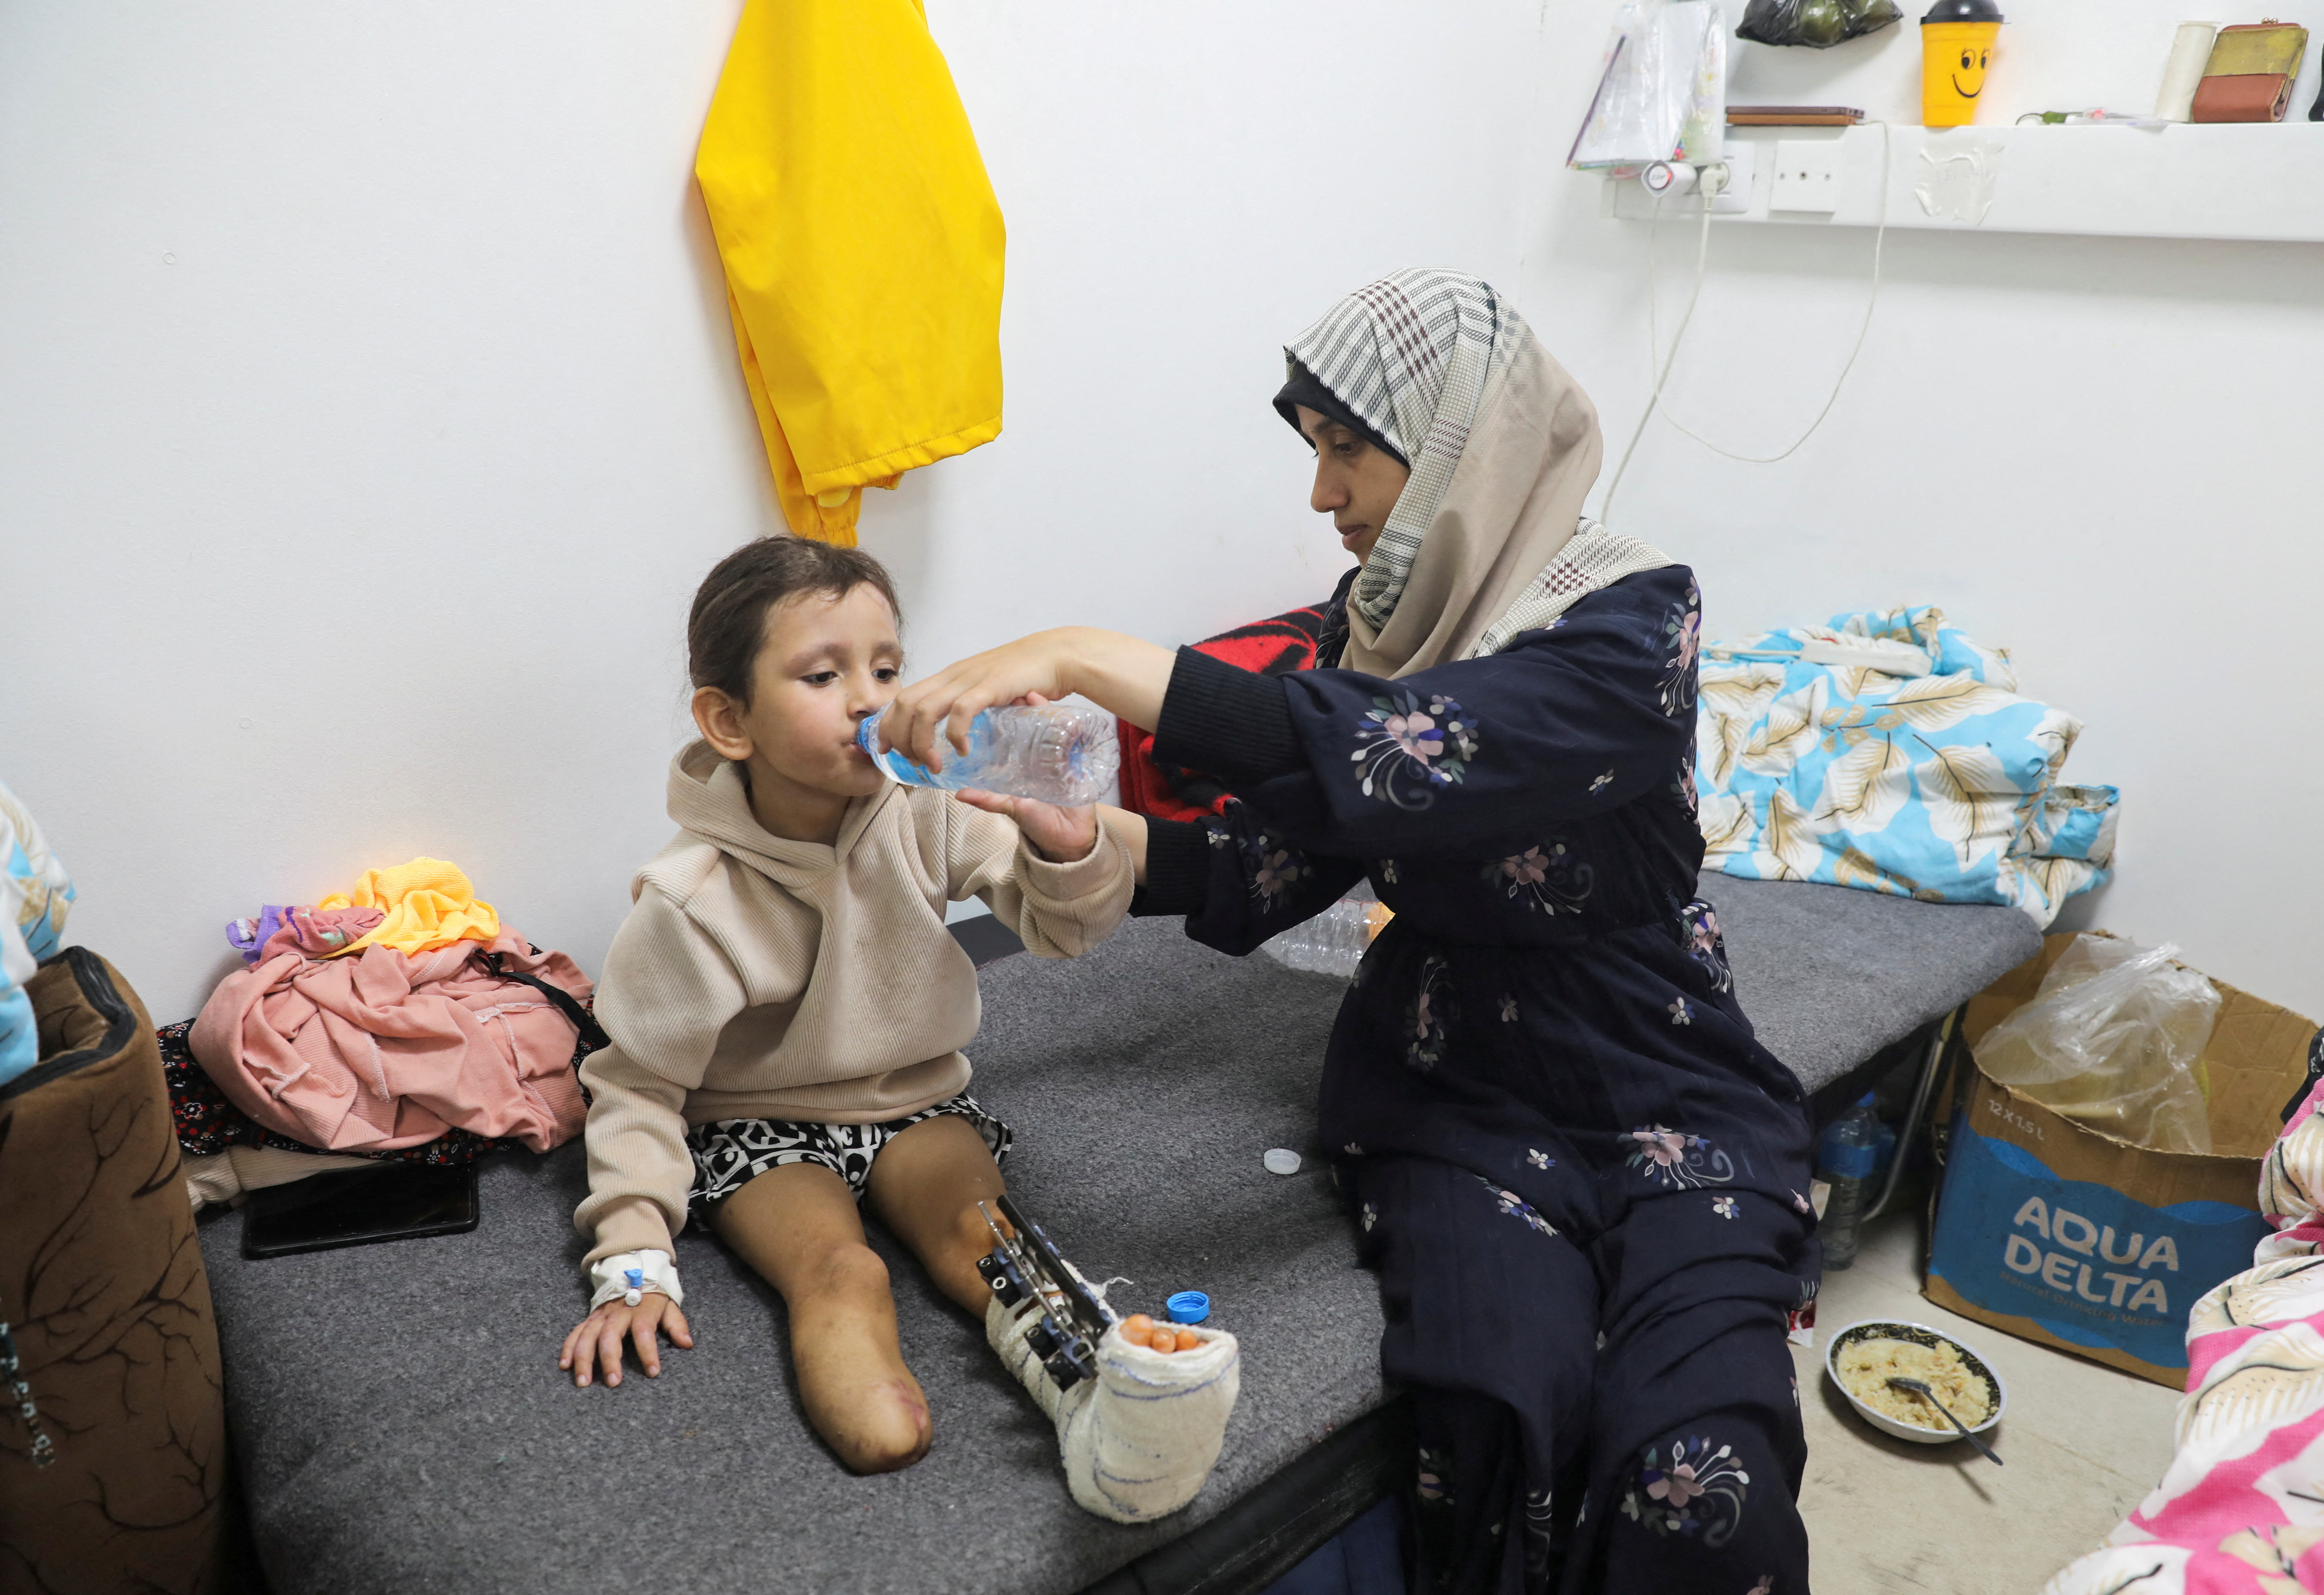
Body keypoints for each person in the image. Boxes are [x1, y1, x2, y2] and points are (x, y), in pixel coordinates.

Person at [881, 270, 1818, 1593]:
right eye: (1312, 451)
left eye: (1345, 450)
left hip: (1666, 1074)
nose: (1321, 496)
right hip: (1451, 1090)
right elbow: (1269, 859)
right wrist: (1082, 842)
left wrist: (1092, 655)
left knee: (1697, 1471)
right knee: (1489, 1406)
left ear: (1455, 447)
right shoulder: (1369, 634)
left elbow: (1406, 756)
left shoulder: (1630, 622)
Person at [557, 536, 1136, 1476]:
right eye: (823, 675)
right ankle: (887, 1429)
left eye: (886, 668)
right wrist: (631, 1254)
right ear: (729, 721)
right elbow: (634, 1085)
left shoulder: (927, 807)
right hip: (758, 1122)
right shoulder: (692, 897)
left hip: (913, 1098)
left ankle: (1119, 1408)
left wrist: (1066, 849)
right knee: (842, 1269)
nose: (872, 700)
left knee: (984, 1237)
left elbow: (1064, 930)